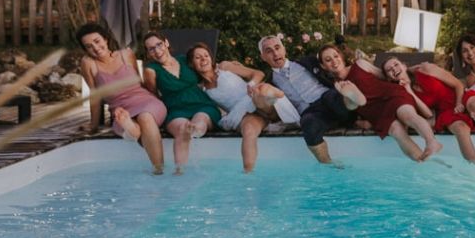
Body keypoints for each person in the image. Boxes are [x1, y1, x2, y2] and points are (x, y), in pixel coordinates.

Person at [318, 45, 443, 162]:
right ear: (323, 66)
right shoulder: (335, 87)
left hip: (390, 94)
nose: (334, 61)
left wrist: (407, 71)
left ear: (341, 56)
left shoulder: (360, 64)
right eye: (328, 60)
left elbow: (384, 75)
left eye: (336, 56)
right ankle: (422, 163)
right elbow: (348, 109)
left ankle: (432, 142)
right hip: (374, 112)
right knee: (396, 131)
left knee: (407, 115)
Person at [188, 42, 300, 172]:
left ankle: (275, 94)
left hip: (255, 98)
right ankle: (248, 173)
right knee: (249, 131)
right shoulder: (200, 88)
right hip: (242, 113)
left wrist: (251, 84)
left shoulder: (225, 67)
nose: (203, 59)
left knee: (260, 92)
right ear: (192, 63)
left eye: (206, 55)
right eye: (198, 57)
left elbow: (258, 74)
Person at [258, 34, 364, 166]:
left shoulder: (308, 61)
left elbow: (333, 63)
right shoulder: (270, 83)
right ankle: (329, 164)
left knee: (332, 97)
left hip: (326, 98)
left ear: (284, 49)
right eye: (269, 51)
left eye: (277, 47)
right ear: (263, 57)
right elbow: (267, 108)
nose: (275, 53)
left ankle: (352, 101)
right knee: (307, 123)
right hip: (311, 112)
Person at [76, 22, 166, 174]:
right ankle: (130, 127)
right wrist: (94, 125)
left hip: (147, 102)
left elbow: (140, 82)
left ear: (105, 39)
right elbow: (95, 96)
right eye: (89, 46)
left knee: (145, 117)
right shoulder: (88, 63)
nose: (95, 48)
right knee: (133, 125)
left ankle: (158, 169)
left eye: (97, 41)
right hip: (121, 110)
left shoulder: (126, 54)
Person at [381, 56, 475, 170]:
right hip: (446, 111)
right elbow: (428, 114)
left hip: (459, 97)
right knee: (461, 129)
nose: (394, 69)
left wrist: (459, 103)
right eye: (389, 70)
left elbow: (458, 85)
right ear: (389, 78)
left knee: (474, 105)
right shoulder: (402, 93)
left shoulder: (425, 69)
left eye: (396, 64)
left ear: (404, 66)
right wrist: (409, 90)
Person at [142, 31, 221, 175]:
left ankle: (197, 129)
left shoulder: (186, 60)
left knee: (201, 119)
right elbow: (152, 95)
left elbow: (207, 69)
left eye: (159, 44)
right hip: (175, 108)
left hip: (201, 103)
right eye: (151, 48)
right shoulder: (151, 70)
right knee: (182, 129)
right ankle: (179, 171)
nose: (157, 51)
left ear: (166, 43)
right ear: (148, 53)